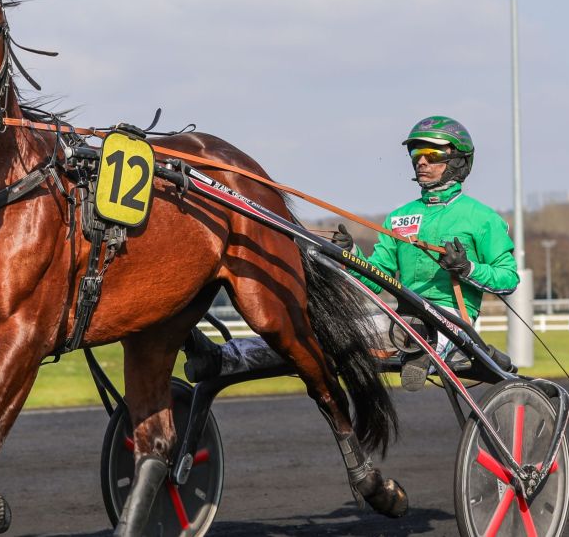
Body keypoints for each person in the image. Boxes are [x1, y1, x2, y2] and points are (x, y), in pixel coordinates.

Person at [184, 116, 519, 391]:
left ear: (457, 160)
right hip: (401, 318)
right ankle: (223, 357)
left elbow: (508, 279)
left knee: (413, 332)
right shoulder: (401, 217)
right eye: (416, 153)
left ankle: (421, 349)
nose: (421, 161)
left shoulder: (482, 218)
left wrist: (467, 267)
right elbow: (376, 279)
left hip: (451, 322)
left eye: (431, 154)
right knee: (310, 333)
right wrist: (350, 256)